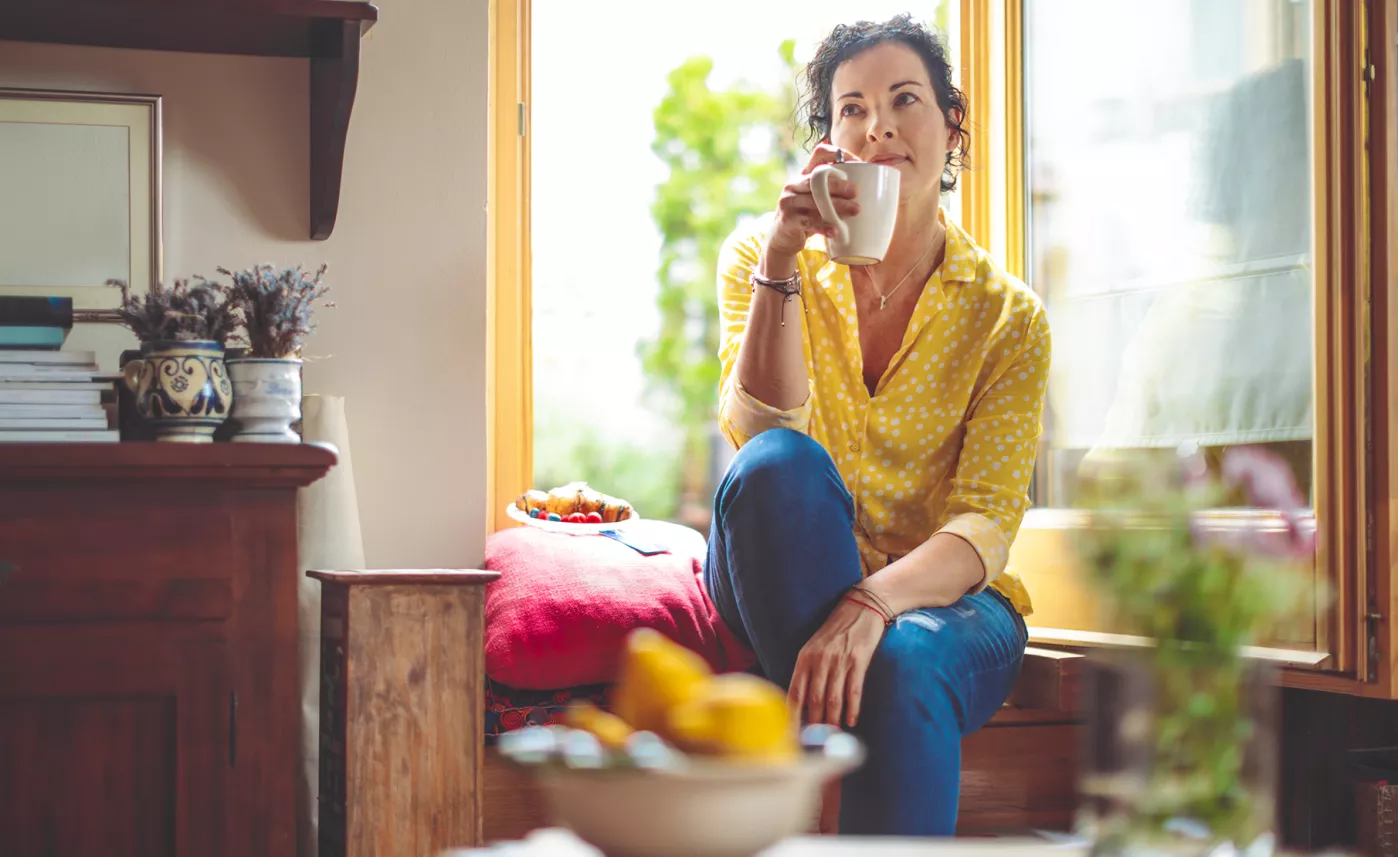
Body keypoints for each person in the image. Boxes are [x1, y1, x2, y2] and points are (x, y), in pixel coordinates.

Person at [701, 14, 1052, 836]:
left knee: (905, 659)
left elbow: (984, 524)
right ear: (832, 142)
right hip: (775, 559)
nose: (879, 125)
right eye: (851, 109)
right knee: (782, 462)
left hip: (945, 600)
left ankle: (829, 743)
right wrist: (785, 258)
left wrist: (871, 602)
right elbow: (760, 432)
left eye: (904, 100)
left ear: (951, 125)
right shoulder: (760, 255)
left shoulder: (1009, 320)